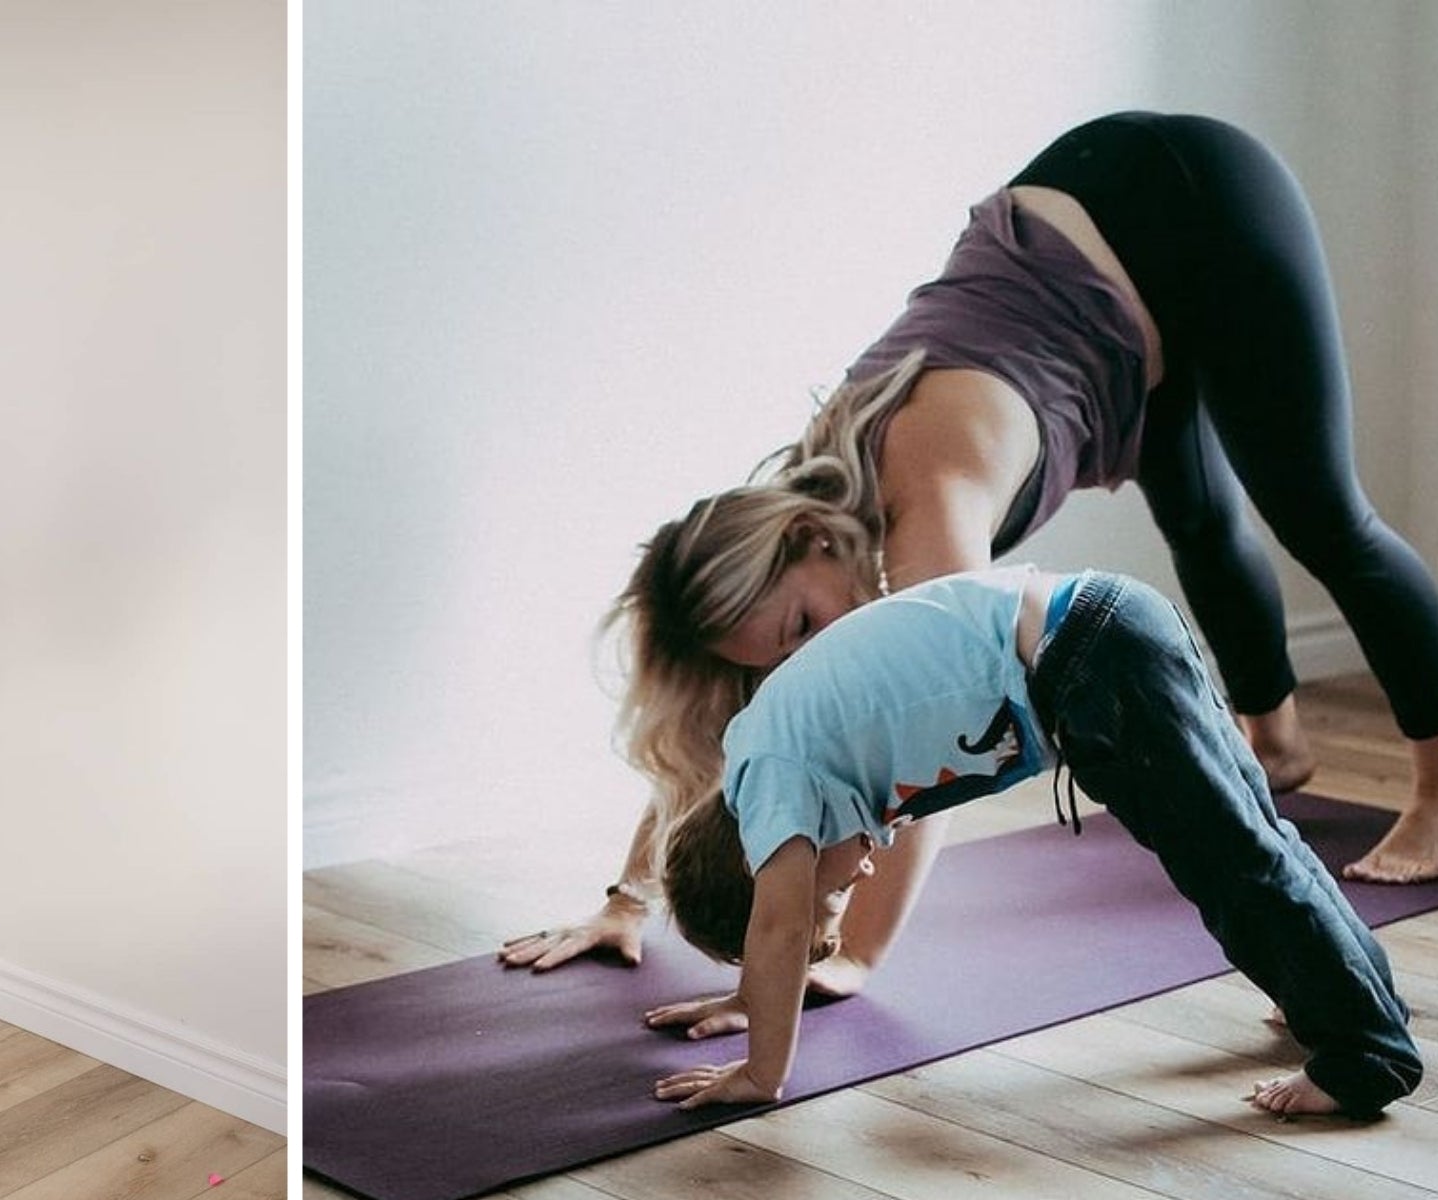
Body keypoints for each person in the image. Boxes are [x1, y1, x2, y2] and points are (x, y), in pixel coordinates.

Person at [502, 110, 1438, 994]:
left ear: (807, 539)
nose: (803, 659)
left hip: (1186, 195)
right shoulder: (804, 519)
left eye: (800, 630)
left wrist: (856, 957)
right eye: (779, 654)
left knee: (1324, 520)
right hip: (1105, 277)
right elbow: (730, 727)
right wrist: (629, 900)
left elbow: (940, 753)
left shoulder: (926, 502)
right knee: (1198, 520)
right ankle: (1275, 741)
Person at [647, 563, 1420, 1118]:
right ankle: (1351, 994)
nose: (867, 865)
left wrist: (761, 1073)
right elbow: (778, 921)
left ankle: (1364, 1057)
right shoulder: (788, 754)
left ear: (768, 852)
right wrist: (754, 995)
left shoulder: (770, 775)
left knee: (1235, 862)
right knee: (1249, 844)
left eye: (837, 887)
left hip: (1086, 658)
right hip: (1101, 635)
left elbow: (777, 924)